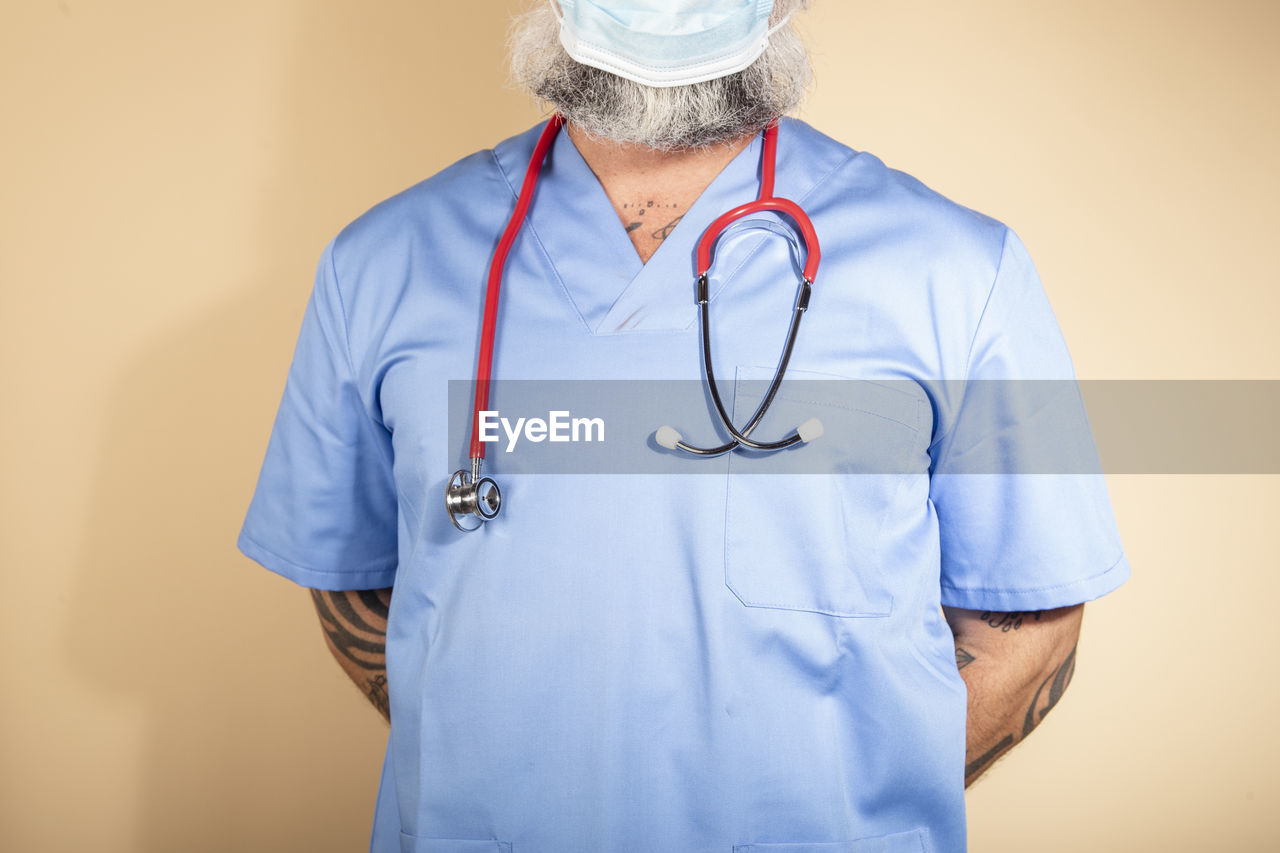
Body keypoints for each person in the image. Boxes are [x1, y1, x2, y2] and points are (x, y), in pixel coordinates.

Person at [237, 1, 1129, 850]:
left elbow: (1031, 631)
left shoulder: (952, 270)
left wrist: (848, 807)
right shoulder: (383, 264)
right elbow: (353, 583)